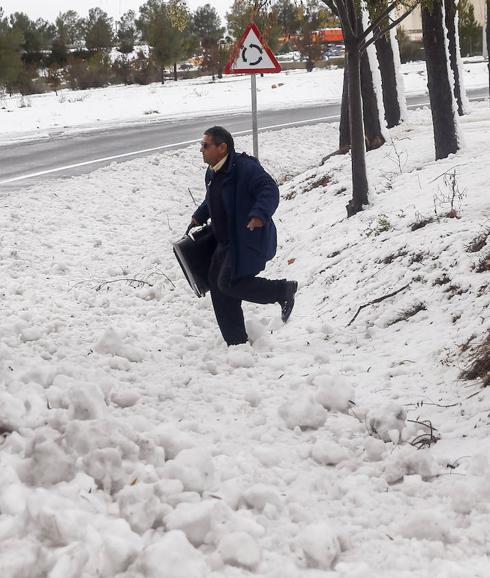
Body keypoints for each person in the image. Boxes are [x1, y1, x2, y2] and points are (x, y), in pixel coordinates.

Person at [189, 126, 297, 346]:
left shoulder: (245, 168)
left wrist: (259, 214)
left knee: (228, 283)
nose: (201, 150)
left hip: (248, 238)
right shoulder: (213, 172)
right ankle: (236, 342)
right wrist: (199, 215)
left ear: (222, 147)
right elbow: (213, 199)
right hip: (225, 241)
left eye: (205, 145)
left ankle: (282, 290)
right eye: (202, 145)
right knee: (218, 285)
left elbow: (269, 189)